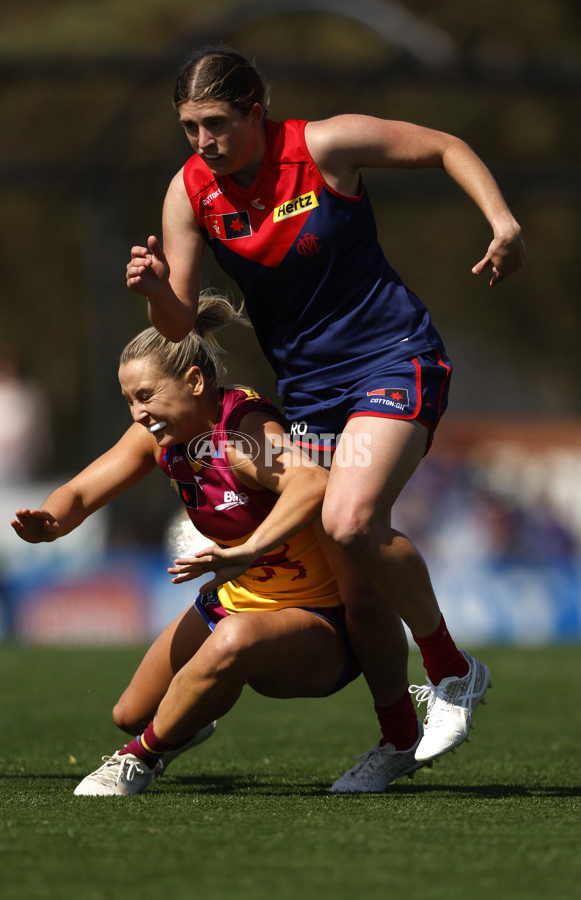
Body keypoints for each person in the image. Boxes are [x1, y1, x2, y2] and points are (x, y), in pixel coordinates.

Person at [125, 46, 523, 783]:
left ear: (255, 110)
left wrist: (499, 219)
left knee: (348, 520)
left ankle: (452, 671)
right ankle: (399, 740)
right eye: (189, 127)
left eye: (216, 123)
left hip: (392, 361)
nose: (203, 143)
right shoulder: (190, 192)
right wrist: (154, 289)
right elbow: (180, 323)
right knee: (359, 592)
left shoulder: (324, 145)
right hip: (310, 392)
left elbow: (445, 147)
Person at [11, 293, 427, 796]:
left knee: (228, 648)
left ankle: (137, 760)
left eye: (146, 395)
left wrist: (249, 549)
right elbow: (79, 492)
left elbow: (312, 484)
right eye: (129, 400)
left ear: (193, 382)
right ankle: (183, 719)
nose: (138, 413)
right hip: (231, 602)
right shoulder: (159, 434)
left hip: (317, 624)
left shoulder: (242, 434)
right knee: (130, 712)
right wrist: (51, 520)